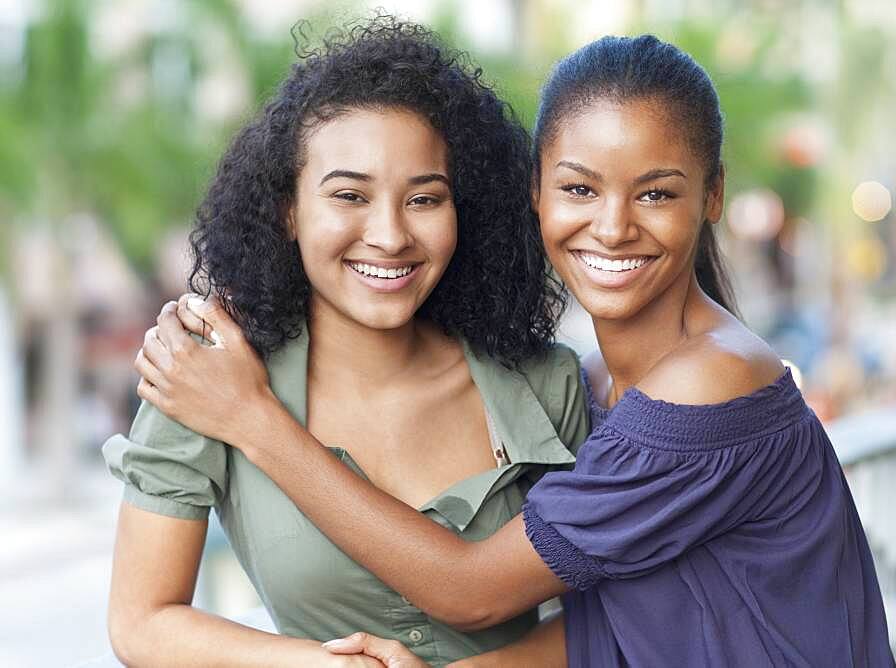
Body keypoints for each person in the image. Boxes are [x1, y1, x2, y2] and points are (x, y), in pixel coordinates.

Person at [140, 35, 895, 667]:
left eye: (657, 194)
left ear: (714, 195)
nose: (613, 227)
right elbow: (611, 625)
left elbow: (472, 589)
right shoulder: (598, 381)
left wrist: (252, 419)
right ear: (535, 193)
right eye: (580, 189)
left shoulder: (707, 381)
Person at [103, 17, 591, 668]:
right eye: (349, 196)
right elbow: (141, 622)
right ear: (289, 210)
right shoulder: (207, 380)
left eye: (424, 199)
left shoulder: (545, 382)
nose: (389, 235)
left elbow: (608, 621)